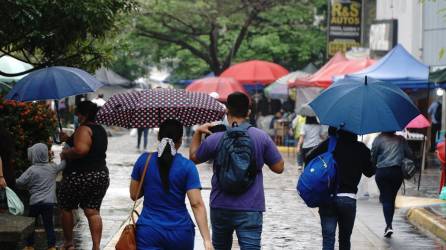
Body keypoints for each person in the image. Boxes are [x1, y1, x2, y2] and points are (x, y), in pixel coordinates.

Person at [190, 92, 284, 250]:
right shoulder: (261, 137)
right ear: (248, 112)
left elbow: (194, 158)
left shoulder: (216, 137)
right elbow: (279, 168)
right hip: (251, 206)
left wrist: (198, 132)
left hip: (220, 205)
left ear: (227, 110)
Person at [130, 119, 212, 250]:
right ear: (180, 140)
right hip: (180, 232)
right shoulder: (187, 166)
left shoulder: (143, 160)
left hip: (148, 231)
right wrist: (207, 240)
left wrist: (152, 183)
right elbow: (196, 204)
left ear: (158, 137)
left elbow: (134, 195)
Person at [306, 128, 375, 250]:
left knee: (328, 240)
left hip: (328, 198)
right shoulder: (361, 148)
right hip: (348, 199)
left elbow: (308, 158)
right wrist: (371, 157)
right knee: (345, 241)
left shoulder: (330, 144)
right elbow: (369, 172)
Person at [58, 101, 109, 250]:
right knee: (92, 211)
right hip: (100, 175)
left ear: (84, 114)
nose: (76, 116)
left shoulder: (83, 129)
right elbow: (91, 147)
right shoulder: (100, 129)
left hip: (80, 175)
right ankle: (96, 246)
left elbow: (81, 150)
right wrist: (68, 139)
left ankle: (69, 243)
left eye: (78, 113)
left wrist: (65, 152)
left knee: (66, 207)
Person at [16, 143, 66, 250]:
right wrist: (63, 156)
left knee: (31, 225)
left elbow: (19, 182)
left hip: (35, 203)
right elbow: (63, 165)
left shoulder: (31, 170)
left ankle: (30, 246)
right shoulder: (52, 168)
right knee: (49, 225)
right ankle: (51, 247)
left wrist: (26, 185)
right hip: (49, 203)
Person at [371, 132, 413, 238]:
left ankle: (388, 225)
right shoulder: (401, 139)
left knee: (386, 199)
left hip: (382, 172)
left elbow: (373, 157)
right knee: (391, 199)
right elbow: (409, 154)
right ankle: (389, 225)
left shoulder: (378, 139)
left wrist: (373, 166)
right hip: (397, 172)